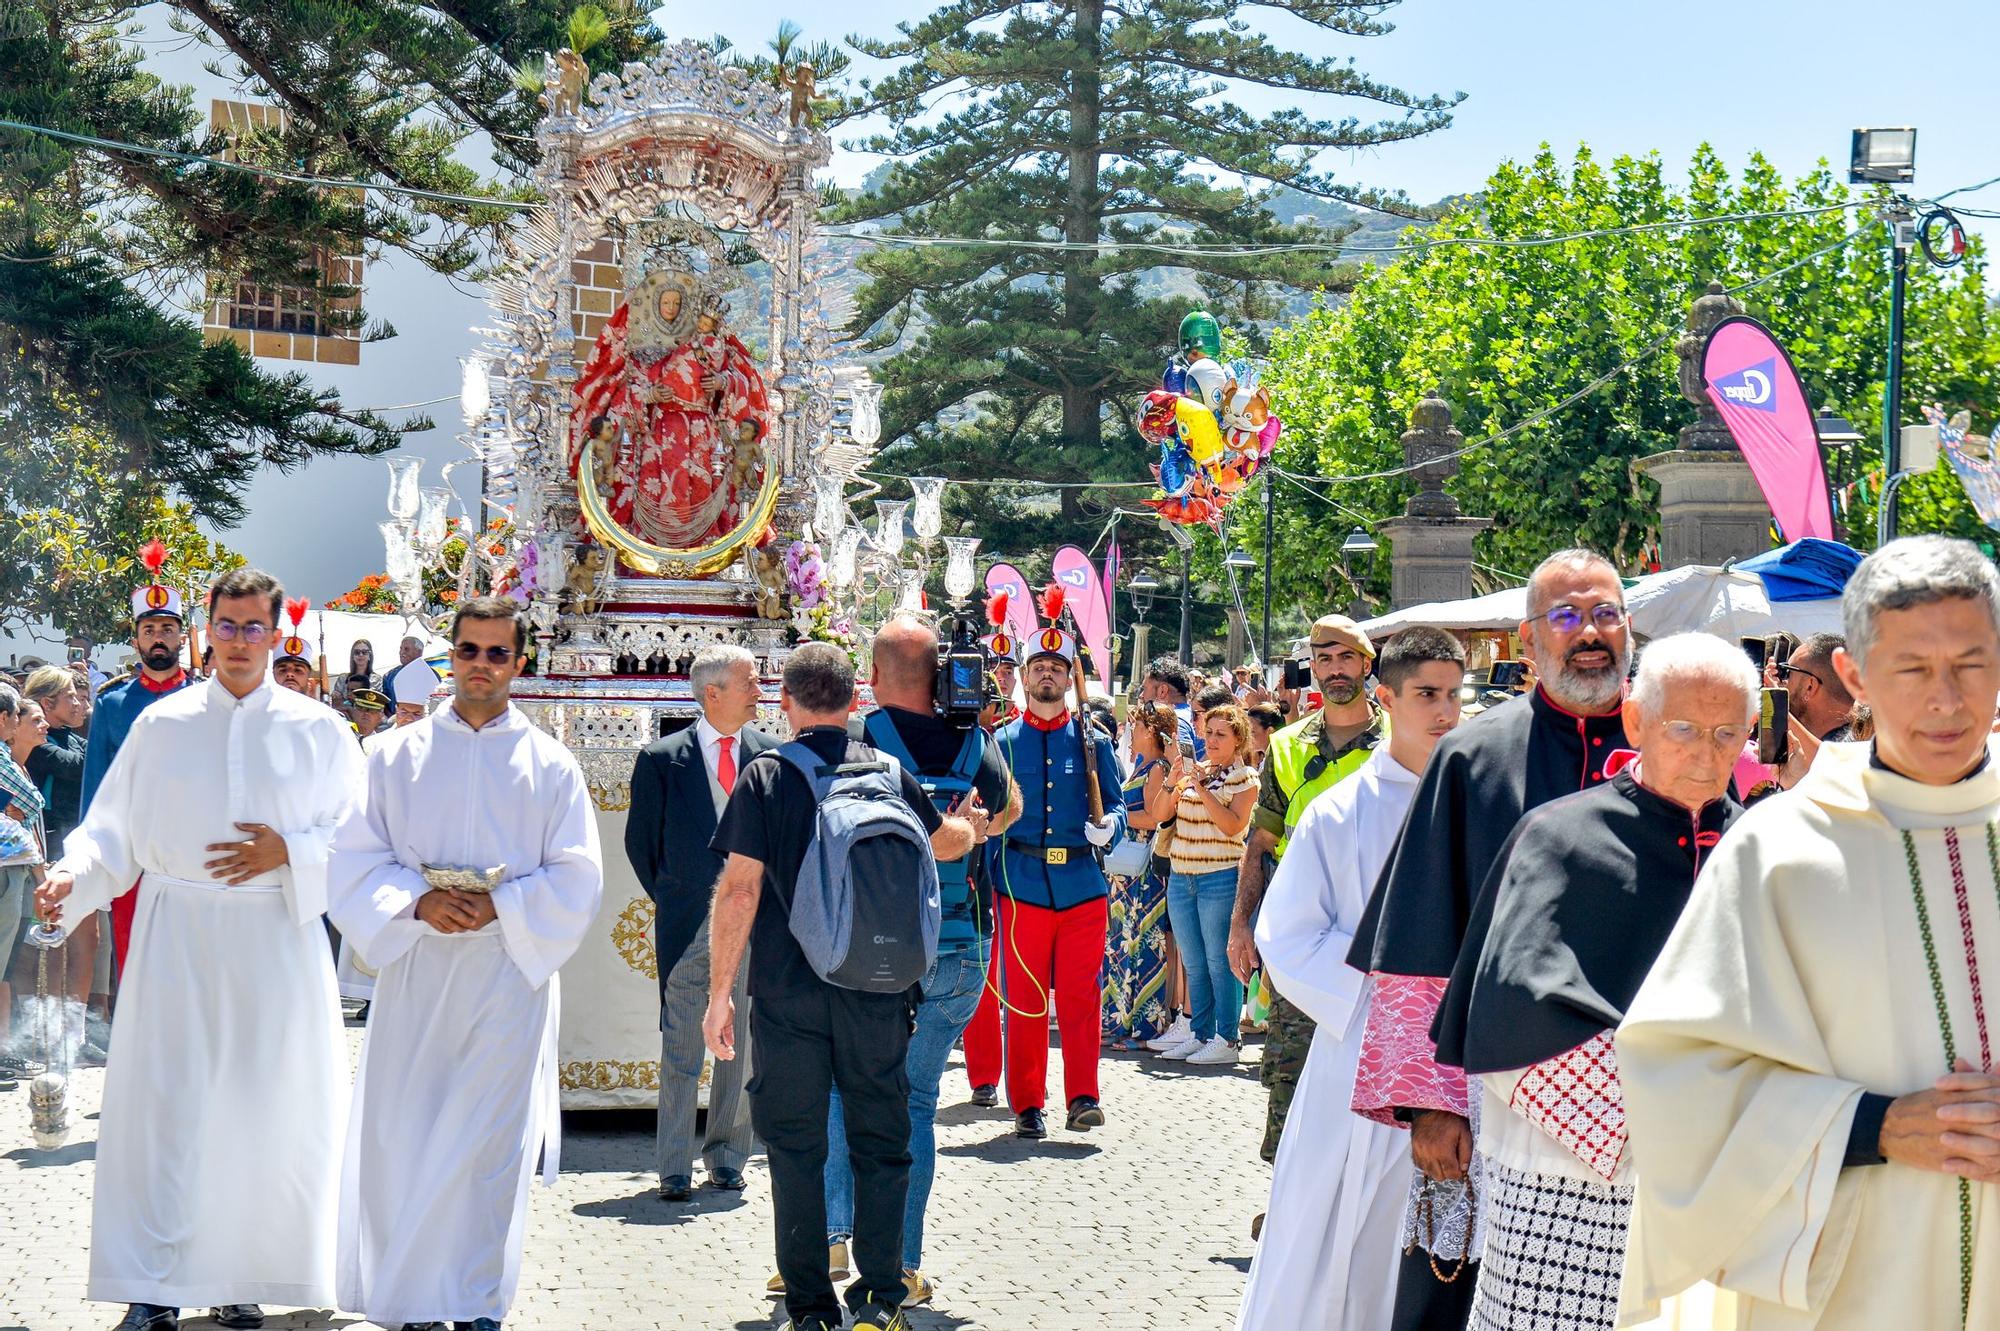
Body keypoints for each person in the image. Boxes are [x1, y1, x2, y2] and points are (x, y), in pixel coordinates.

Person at [1618, 536, 2000, 1329]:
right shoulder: (1779, 852)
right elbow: (1678, 1075)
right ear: (1855, 677)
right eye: (1912, 668)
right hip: (1854, 1276)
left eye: (1971, 663)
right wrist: (1874, 1125)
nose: (1947, 700)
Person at [35, 567, 363, 1331]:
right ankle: (152, 1284)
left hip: (275, 938)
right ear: (203, 631)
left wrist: (293, 850)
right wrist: (70, 877)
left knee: (261, 1106)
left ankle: (241, 1274)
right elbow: (112, 829)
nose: (241, 641)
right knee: (167, 1107)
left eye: (255, 628)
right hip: (175, 935)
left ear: (276, 634)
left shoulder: (322, 731)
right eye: (227, 625)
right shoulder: (162, 725)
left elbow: (362, 835)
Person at [1427, 633, 1751, 1331]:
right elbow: (1513, 1008)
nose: (1705, 751)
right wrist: (1668, 1112)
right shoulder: (1558, 835)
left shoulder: (1760, 848)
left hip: (1718, 1180)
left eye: (1728, 733)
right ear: (1636, 722)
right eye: (1685, 728)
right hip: (1571, 1179)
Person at [1348, 548, 1633, 1331]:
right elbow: (1422, 936)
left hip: (1651, 1086)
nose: (1590, 634)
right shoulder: (1473, 757)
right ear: (1526, 641)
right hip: (1503, 1089)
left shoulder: (1679, 751)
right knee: (1483, 1293)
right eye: (1566, 617)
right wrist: (1431, 1105)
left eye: (1605, 613)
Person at [328, 595, 602, 1331]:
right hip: (419, 971)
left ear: (519, 662)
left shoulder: (551, 764)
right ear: (447, 655)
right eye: (469, 650)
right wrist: (417, 902)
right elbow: (352, 857)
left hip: (506, 976)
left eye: (496, 653)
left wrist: (502, 907)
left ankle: (476, 1301)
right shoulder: (391, 755)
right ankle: (415, 1300)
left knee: (487, 1148)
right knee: (406, 1135)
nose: (481, 665)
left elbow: (578, 874)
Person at [702, 643, 974, 1331]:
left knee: (796, 1145)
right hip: (878, 987)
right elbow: (943, 842)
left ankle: (811, 1306)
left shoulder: (767, 775)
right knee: (881, 1138)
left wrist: (720, 992)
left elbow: (738, 890)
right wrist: (977, 826)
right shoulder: (888, 770)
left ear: (786, 703)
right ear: (856, 699)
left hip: (791, 994)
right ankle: (881, 1298)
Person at [1238, 626, 1466, 1331]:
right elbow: (1287, 932)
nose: (1445, 712)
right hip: (1360, 1061)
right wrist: (1392, 998)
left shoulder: (1481, 800)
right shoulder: (1340, 812)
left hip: (1466, 1065)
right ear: (1387, 696)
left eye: (1456, 695)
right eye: (1427, 694)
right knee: (1333, 1246)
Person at [822, 616, 1019, 1310]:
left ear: (873, 676)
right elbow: (1009, 807)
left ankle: (831, 1237)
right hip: (960, 945)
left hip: (874, 949)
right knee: (917, 1104)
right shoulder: (977, 740)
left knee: (848, 1089)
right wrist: (975, 823)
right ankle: (903, 1263)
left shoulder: (860, 740)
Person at [1227, 615, 1382, 1168]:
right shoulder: (1289, 746)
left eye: (1346, 658)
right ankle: (1286, 1200)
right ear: (1312, 667)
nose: (1336, 670)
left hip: (1379, 927)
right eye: (1325, 659)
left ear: (1367, 664)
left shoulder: (1399, 742)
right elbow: (1260, 841)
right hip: (1304, 930)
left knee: (1376, 1069)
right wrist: (1242, 923)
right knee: (1290, 1068)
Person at [625, 643, 775, 1202]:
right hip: (688, 924)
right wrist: (677, 898)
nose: (760, 690)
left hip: (754, 926)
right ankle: (673, 1166)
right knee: (682, 1048)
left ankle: (729, 1156)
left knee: (740, 1046)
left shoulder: (770, 754)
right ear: (713, 694)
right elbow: (642, 846)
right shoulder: (662, 759)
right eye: (751, 682)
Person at [990, 627, 1125, 1136]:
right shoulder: (1001, 741)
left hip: (1081, 887)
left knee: (1080, 998)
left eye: (1057, 667)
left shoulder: (1094, 741)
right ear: (1024, 678)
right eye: (1038, 667)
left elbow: (1115, 802)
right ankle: (1026, 1103)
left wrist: (1108, 825)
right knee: (1023, 999)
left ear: (1069, 680)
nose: (1047, 673)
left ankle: (1083, 1095)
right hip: (1021, 885)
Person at [83, 570, 193, 978]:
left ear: (182, 637)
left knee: (190, 967)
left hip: (191, 857)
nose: (159, 637)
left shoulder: (206, 699)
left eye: (167, 628)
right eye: (150, 629)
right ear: (136, 640)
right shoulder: (111, 706)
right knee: (134, 966)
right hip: (132, 857)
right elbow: (95, 791)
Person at [1149, 702, 1258, 1065]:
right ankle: (1201, 1033)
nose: (1210, 739)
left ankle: (1227, 1037)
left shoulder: (1245, 778)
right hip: (1182, 876)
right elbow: (1159, 815)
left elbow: (1233, 826)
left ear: (1238, 739)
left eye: (1219, 734)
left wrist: (1200, 787)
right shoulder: (1198, 771)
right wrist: (1175, 780)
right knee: (1194, 962)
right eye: (1207, 732)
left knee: (1218, 960)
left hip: (1220, 878)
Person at [1101, 700, 1177, 1050]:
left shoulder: (1157, 768)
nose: (1131, 732)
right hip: (1125, 872)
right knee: (1120, 943)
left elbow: (1153, 818)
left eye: (1137, 725)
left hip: (1142, 874)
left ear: (1150, 731)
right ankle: (1119, 1021)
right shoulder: (1141, 766)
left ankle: (1143, 1027)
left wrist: (1114, 819)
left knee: (1140, 944)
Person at [0, 684, 49, 1084]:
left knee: (6, 964)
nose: (18, 724)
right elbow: (33, 802)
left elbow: (27, 806)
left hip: (14, 865)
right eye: (17, 716)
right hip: (4, 869)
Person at [1771, 629, 1857, 789]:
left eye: (1787, 672)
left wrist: (1776, 706)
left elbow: (1831, 762)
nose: (1782, 681)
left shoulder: (1859, 750)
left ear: (1810, 686)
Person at [1140, 656, 1201, 755]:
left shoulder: (1175, 722)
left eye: (1145, 689)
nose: (1141, 696)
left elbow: (1186, 764)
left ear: (1162, 691)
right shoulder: (1188, 716)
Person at [328, 638, 379, 715]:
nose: (360, 655)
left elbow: (375, 702)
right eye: (357, 652)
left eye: (364, 652)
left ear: (370, 656)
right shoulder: (343, 678)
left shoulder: (376, 679)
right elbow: (336, 701)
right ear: (352, 656)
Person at [377, 635, 426, 703]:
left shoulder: (431, 675)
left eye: (406, 649)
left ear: (419, 652)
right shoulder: (389, 676)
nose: (402, 652)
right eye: (401, 649)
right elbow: (383, 702)